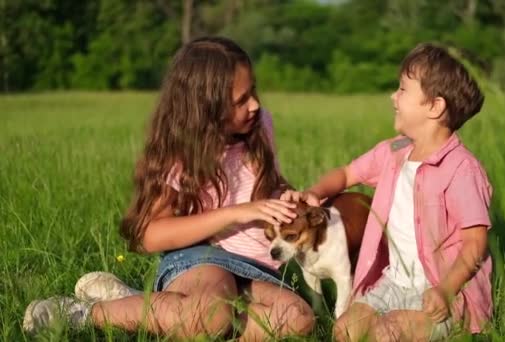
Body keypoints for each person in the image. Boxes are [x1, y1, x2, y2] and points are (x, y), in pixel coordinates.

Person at [22, 36, 315, 340]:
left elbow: (267, 187)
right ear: (206, 108)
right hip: (201, 257)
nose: (254, 104)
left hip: (254, 265)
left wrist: (286, 196)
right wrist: (234, 214)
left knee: (298, 320)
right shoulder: (179, 150)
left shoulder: (259, 124)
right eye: (241, 100)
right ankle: (83, 314)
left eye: (253, 91)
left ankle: (142, 306)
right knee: (211, 319)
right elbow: (150, 235)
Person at [282, 43, 493, 341]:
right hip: (393, 282)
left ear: (435, 106)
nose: (393, 96)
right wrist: (315, 192)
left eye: (403, 89)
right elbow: (346, 174)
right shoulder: (396, 149)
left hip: (444, 293)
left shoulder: (462, 169)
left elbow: (475, 243)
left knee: (387, 333)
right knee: (344, 330)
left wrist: (446, 291)